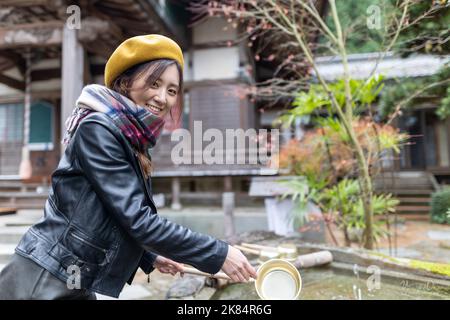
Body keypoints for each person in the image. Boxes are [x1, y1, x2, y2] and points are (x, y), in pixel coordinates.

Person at [0, 34, 257, 300]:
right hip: (44, 279)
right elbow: (139, 220)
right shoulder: (98, 129)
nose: (162, 98)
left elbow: (113, 215)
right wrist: (219, 253)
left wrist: (148, 256)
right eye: (154, 83)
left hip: (72, 278)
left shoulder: (130, 137)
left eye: (171, 90)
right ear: (125, 82)